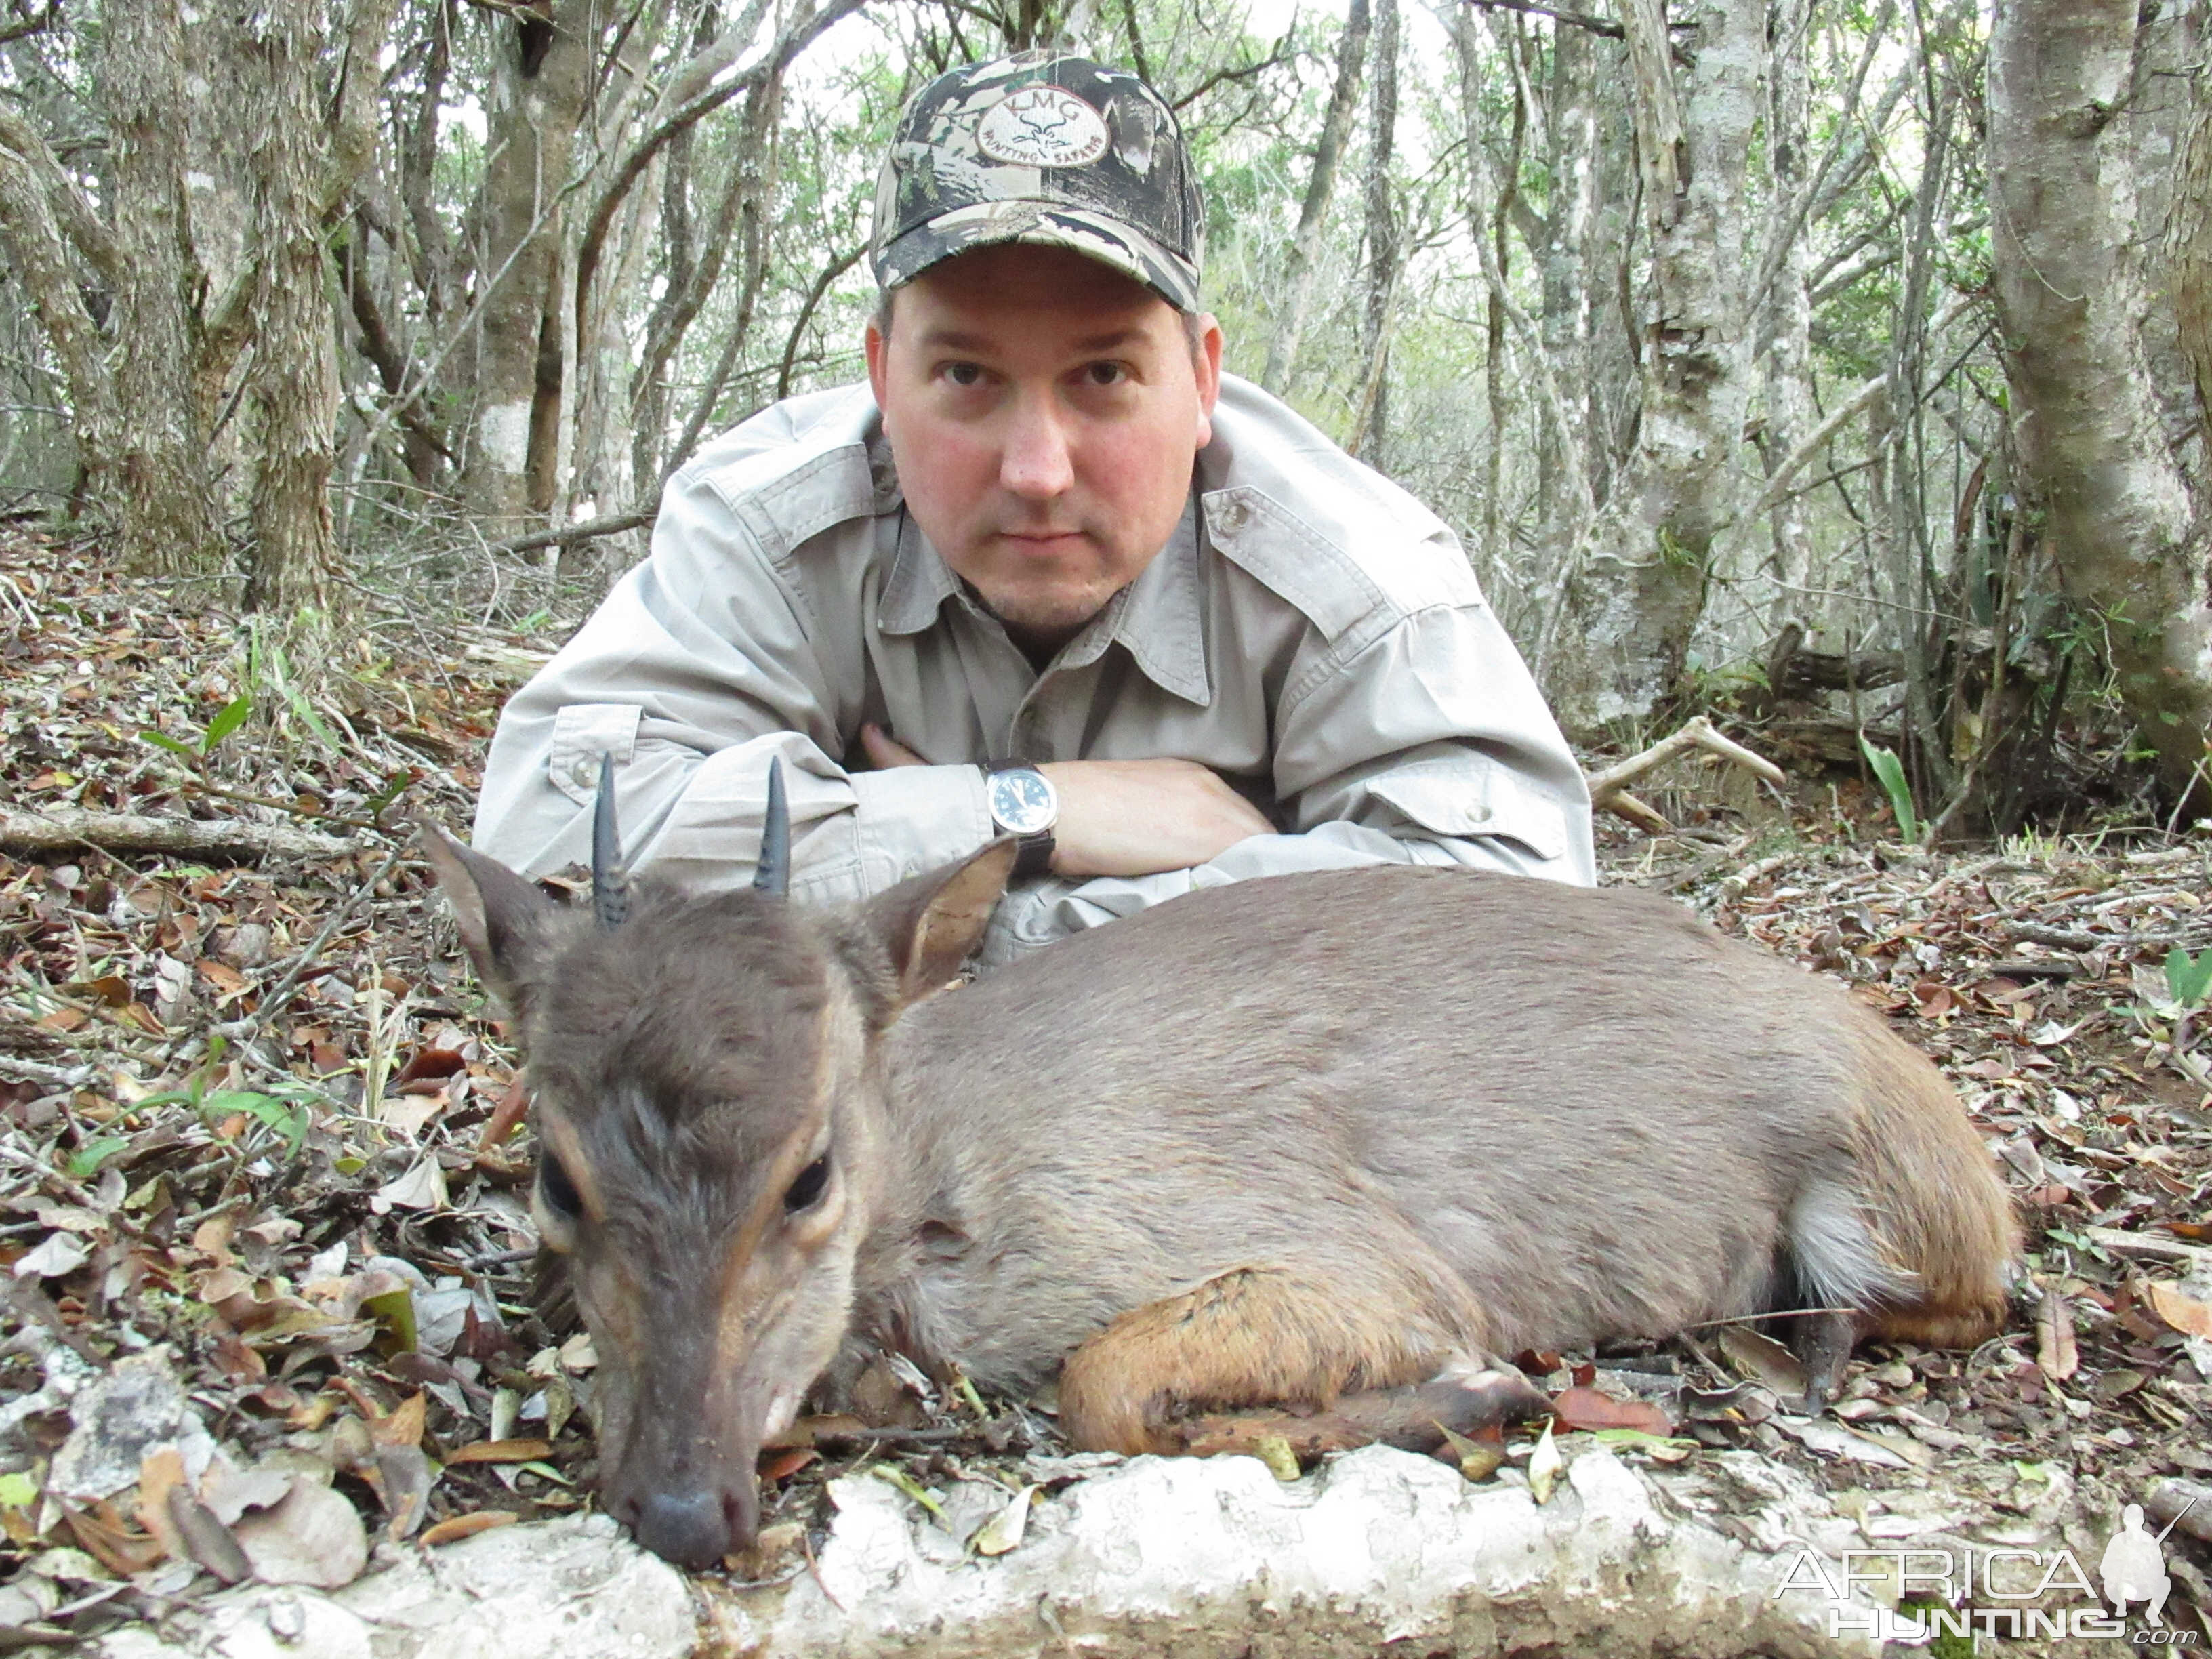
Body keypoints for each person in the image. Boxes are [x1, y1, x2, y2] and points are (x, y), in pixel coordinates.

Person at [474, 52, 1595, 965]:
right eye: (967, 377)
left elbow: (1521, 930)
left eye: (1104, 377)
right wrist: (1031, 811)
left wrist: (981, 928)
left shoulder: (1353, 581)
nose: (1038, 469)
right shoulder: (774, 531)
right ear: (880, 377)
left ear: (1203, 383)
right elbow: (552, 858)